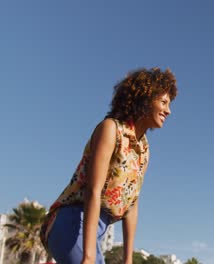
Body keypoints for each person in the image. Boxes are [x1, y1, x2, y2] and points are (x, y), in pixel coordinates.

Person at [40, 67, 178, 264]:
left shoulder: (143, 150)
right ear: (145, 100)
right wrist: (88, 256)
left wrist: (128, 259)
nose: (168, 110)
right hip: (72, 223)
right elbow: (93, 191)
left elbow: (132, 204)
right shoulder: (111, 129)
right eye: (163, 102)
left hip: (95, 232)